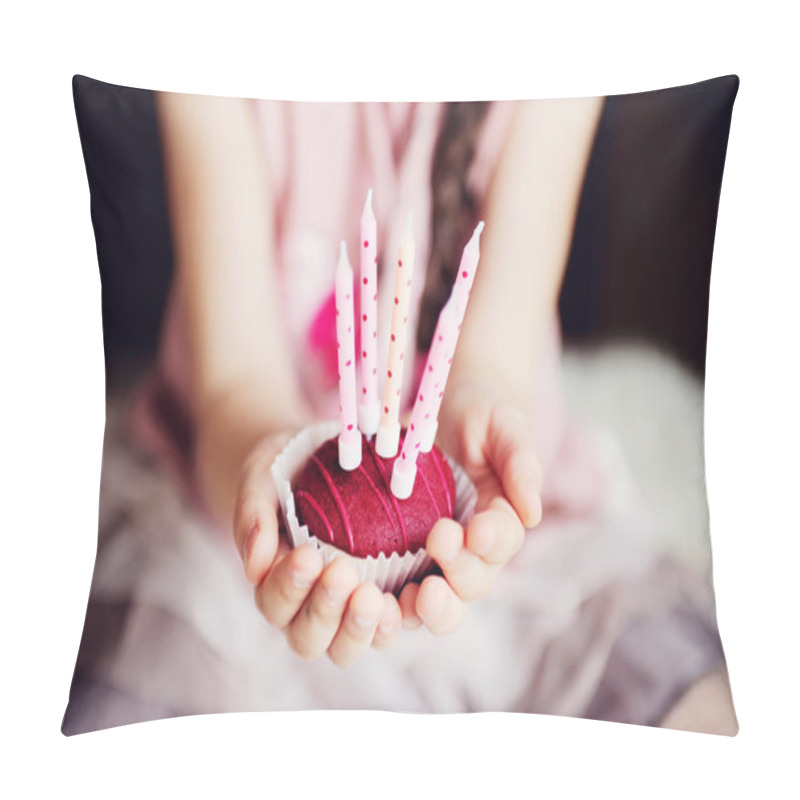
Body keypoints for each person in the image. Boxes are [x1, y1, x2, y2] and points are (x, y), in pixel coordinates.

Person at [64, 93, 737, 734]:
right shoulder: (207, 52)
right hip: (221, 530)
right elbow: (234, 385)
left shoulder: (552, 56)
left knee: (686, 705)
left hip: (527, 569)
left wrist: (476, 418)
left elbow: (494, 363)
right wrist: (269, 481)